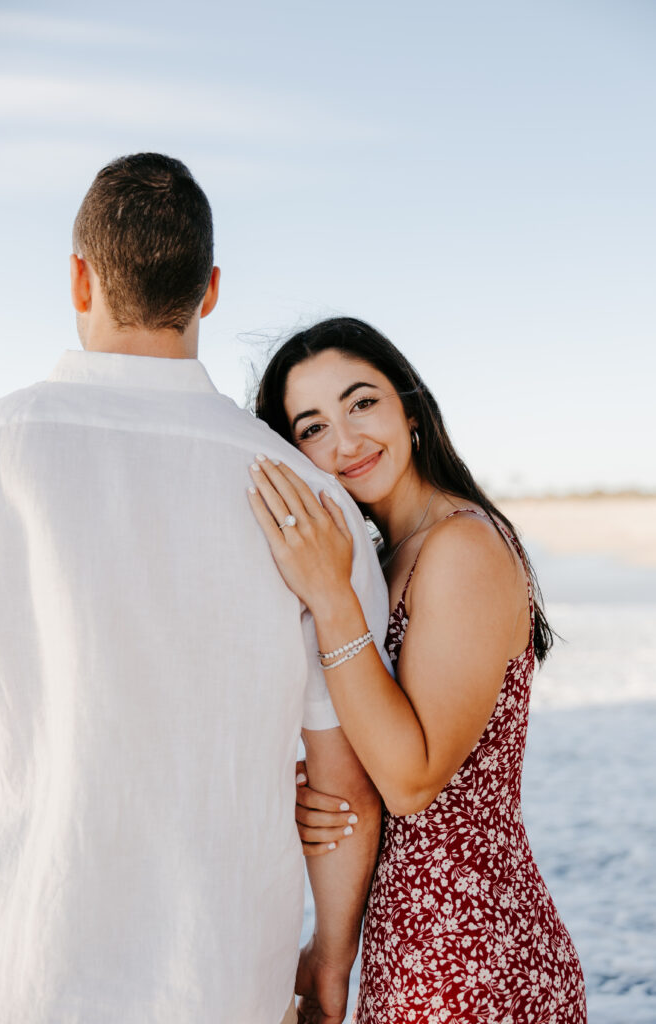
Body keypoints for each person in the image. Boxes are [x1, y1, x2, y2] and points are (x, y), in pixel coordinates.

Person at [0, 157, 390, 1024]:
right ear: (209, 290)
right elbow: (342, 785)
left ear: (80, 278)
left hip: (11, 960)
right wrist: (331, 956)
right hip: (221, 975)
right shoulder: (308, 501)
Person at [251, 317, 587, 1023]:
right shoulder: (382, 559)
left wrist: (330, 597)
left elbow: (410, 780)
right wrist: (317, 794)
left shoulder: (460, 547)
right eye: (310, 426)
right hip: (403, 946)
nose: (343, 441)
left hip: (474, 954)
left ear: (409, 405)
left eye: (360, 402)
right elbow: (372, 747)